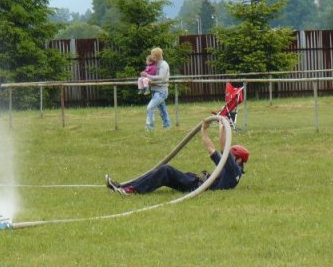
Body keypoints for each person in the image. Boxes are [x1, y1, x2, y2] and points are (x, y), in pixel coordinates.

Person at [105, 119, 249, 195]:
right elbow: (212, 149)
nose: (229, 156)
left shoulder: (233, 170)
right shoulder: (229, 169)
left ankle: (131, 190)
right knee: (162, 172)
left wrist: (222, 128)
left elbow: (223, 148)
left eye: (232, 155)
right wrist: (204, 129)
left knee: (166, 170)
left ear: (238, 159)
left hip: (196, 185)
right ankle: (122, 187)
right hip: (194, 180)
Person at [145, 47, 171, 130]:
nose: (151, 56)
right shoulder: (155, 64)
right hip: (155, 90)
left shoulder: (163, 65)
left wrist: (148, 76)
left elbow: (161, 77)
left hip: (161, 91)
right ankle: (167, 126)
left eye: (153, 55)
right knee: (162, 110)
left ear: (156, 56)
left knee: (150, 107)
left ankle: (149, 127)